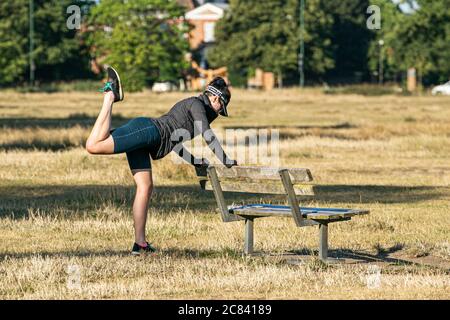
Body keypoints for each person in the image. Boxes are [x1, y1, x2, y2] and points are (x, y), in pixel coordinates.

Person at [85, 67, 237, 255]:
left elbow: (175, 142)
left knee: (145, 187)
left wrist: (194, 160)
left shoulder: (198, 111)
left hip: (148, 142)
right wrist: (225, 159)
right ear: (215, 98)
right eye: (221, 107)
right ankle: (110, 96)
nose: (220, 112)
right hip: (146, 130)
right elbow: (207, 133)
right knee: (93, 145)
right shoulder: (197, 105)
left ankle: (140, 245)